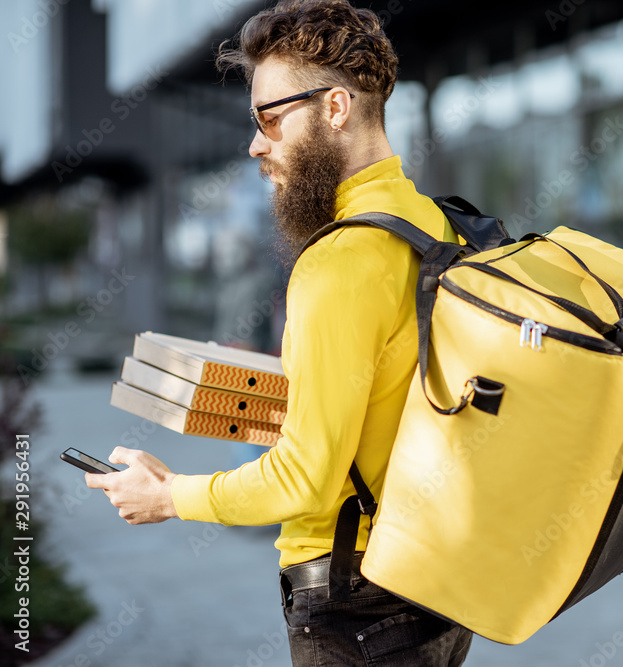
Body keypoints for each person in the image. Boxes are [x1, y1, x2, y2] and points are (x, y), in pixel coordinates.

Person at [85, 1, 473, 664]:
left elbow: (305, 481)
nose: (255, 144)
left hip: (355, 602)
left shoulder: (339, 261)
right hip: (434, 583)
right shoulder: (441, 226)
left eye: (269, 118)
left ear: (334, 109)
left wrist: (168, 494)